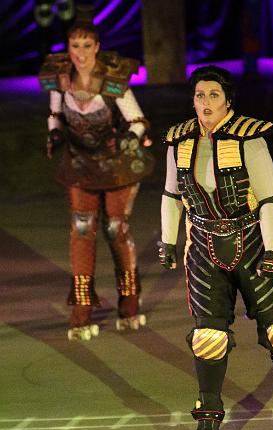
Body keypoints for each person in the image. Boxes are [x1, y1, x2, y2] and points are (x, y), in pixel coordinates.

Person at [159, 65, 273, 430]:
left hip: (252, 241)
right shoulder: (178, 141)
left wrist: (271, 249)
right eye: (200, 95)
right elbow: (171, 195)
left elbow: (269, 199)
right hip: (203, 246)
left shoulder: (250, 137)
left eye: (213, 95)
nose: (205, 102)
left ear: (228, 100)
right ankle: (208, 423)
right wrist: (167, 241)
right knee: (208, 336)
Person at [39, 7, 152, 340]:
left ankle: (129, 302)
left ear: (97, 47)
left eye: (87, 46)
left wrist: (128, 139)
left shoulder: (113, 82)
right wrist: (55, 133)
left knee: (115, 228)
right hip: (80, 164)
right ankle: (81, 311)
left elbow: (139, 122)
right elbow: (55, 115)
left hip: (115, 165)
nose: (81, 53)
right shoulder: (60, 79)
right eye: (75, 46)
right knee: (81, 229)